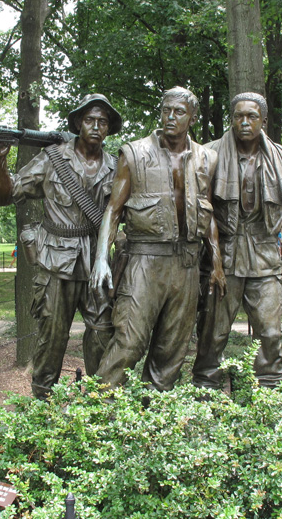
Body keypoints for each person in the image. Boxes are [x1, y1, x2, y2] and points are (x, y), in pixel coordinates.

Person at [91, 86, 224, 392]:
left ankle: (154, 412)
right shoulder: (134, 153)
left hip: (187, 264)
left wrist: (216, 261)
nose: (170, 117)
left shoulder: (207, 158)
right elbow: (113, 210)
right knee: (129, 341)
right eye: (166, 110)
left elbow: (207, 211)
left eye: (179, 112)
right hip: (144, 260)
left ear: (192, 118)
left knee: (172, 350)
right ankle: (98, 408)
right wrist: (101, 259)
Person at [0, 94, 122, 399]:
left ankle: (99, 401)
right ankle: (43, 403)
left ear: (109, 128)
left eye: (102, 122)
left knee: (102, 334)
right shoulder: (52, 159)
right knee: (52, 337)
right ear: (78, 123)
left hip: (97, 262)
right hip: (55, 262)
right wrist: (0, 161)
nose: (95, 126)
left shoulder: (116, 167)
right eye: (89, 120)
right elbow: (7, 195)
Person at [192, 92, 282, 389]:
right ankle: (206, 391)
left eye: (251, 116)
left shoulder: (280, 156)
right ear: (232, 120)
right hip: (224, 252)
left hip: (264, 252)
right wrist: (215, 263)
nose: (245, 122)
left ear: (263, 120)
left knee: (271, 332)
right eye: (238, 116)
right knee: (213, 334)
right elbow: (204, 210)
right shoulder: (210, 153)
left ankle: (270, 390)